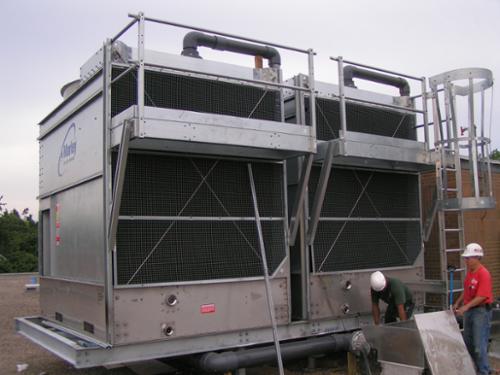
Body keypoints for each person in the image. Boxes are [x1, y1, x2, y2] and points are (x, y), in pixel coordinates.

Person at [453, 243, 493, 375]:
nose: (466, 261)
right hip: (470, 311)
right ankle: (479, 367)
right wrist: (458, 303)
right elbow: (467, 290)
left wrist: (465, 307)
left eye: (468, 258)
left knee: (478, 345)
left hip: (480, 312)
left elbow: (482, 296)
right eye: (466, 258)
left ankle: (484, 371)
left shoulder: (483, 274)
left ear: (477, 258)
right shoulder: (470, 273)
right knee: (469, 343)